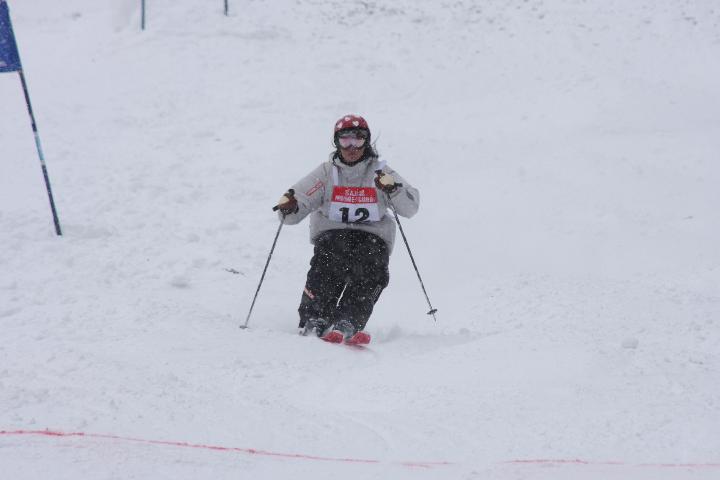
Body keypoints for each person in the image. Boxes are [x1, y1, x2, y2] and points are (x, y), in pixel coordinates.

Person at [275, 114, 420, 344]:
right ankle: (315, 317)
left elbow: (411, 207)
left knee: (371, 268)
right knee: (327, 263)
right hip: (333, 234)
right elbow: (299, 201)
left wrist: (393, 190)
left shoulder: (380, 173)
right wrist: (290, 207)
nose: (352, 147)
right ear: (336, 142)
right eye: (345, 140)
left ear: (366, 141)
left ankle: (349, 320)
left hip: (372, 236)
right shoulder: (326, 173)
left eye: (358, 139)